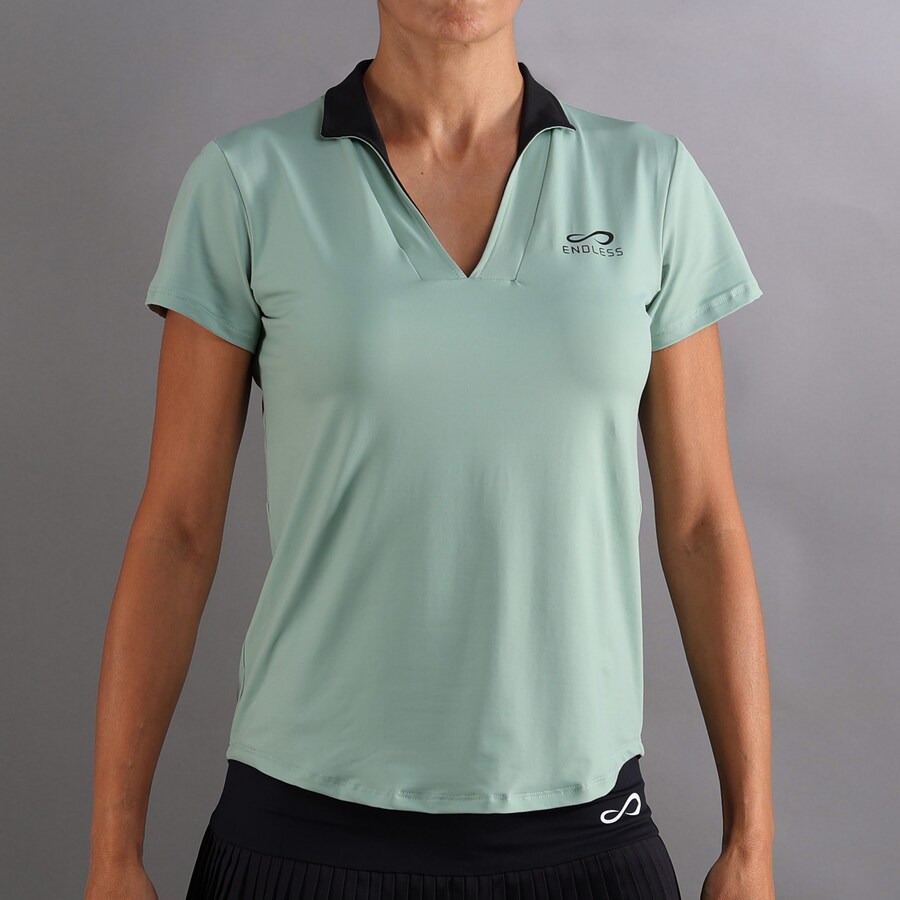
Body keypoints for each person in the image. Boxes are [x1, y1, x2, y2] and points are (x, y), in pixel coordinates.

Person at [85, 3, 776, 900]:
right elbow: (176, 532)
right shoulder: (248, 182)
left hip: (584, 839)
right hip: (302, 836)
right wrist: (113, 855)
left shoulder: (652, 182)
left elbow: (702, 528)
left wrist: (752, 842)